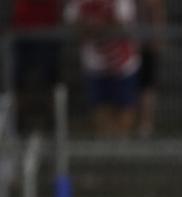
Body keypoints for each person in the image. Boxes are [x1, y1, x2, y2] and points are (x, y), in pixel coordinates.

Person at [65, 0, 141, 137]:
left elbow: (123, 25)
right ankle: (106, 144)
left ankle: (120, 144)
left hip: (122, 63)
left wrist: (96, 27)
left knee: (124, 106)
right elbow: (72, 24)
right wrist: (96, 27)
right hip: (94, 64)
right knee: (99, 106)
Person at [10, 0, 62, 134]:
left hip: (47, 29)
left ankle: (53, 119)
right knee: (18, 80)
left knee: (50, 79)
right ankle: (17, 119)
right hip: (22, 30)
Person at [136, 0, 165, 137]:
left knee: (147, 87)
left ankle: (145, 125)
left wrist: (155, 39)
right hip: (129, 47)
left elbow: (156, 12)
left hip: (146, 47)